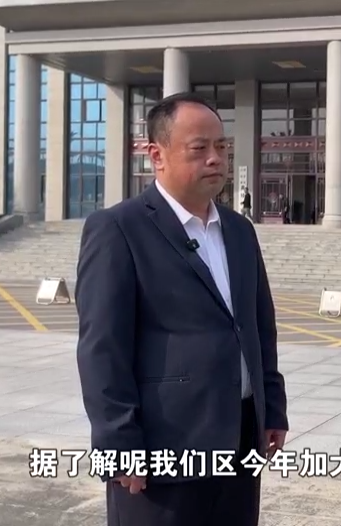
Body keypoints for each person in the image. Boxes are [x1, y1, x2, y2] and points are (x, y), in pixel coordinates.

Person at [75, 91, 289, 526]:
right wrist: (118, 442)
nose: (215, 159)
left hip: (239, 440)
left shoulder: (239, 230)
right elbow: (102, 348)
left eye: (221, 147)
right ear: (157, 155)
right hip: (162, 448)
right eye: (199, 148)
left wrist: (272, 408)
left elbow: (258, 327)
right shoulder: (119, 229)